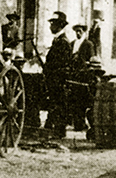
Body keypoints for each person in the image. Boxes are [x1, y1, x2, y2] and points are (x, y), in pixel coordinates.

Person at [43, 11, 72, 139]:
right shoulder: (57, 40)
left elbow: (63, 63)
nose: (50, 27)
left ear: (60, 25)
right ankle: (53, 128)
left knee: (59, 103)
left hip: (59, 79)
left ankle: (59, 131)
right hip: (54, 78)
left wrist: (50, 71)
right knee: (55, 103)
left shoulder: (63, 42)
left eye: (53, 24)